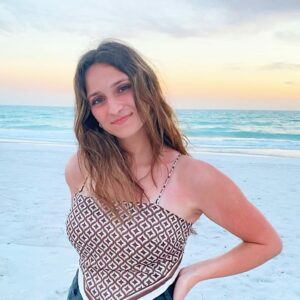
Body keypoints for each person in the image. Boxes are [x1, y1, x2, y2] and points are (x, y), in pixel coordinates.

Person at [65, 39, 282, 300]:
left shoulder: (194, 177)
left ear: (146, 87)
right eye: (98, 99)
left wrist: (192, 274)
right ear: (91, 112)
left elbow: (266, 242)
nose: (114, 107)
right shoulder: (81, 166)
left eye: (123, 88)